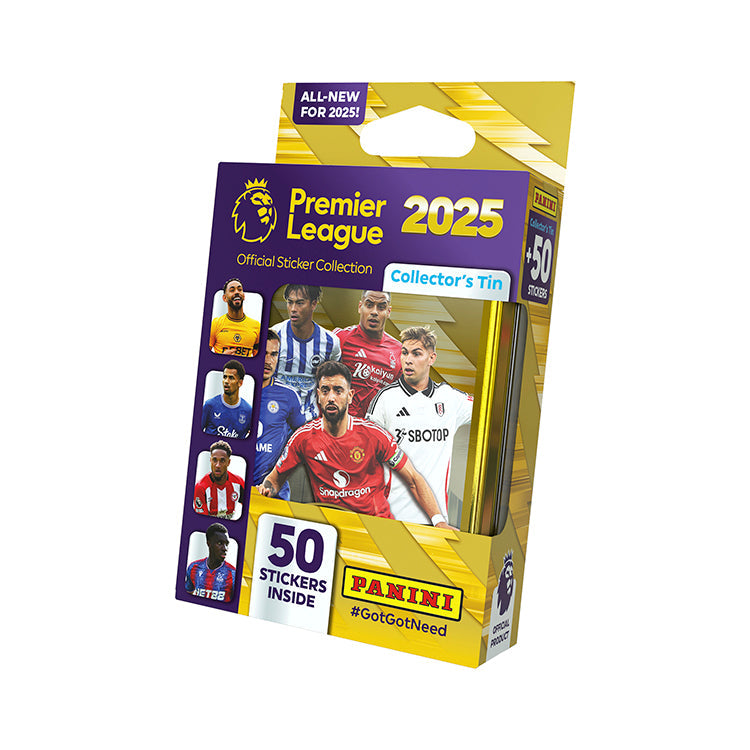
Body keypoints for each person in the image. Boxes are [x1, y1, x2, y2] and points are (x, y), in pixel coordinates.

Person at [258, 361, 449, 528]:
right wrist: (265, 490)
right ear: (318, 396)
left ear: (350, 395)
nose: (331, 397)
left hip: (375, 527)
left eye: (338, 391)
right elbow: (274, 481)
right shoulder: (303, 438)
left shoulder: (373, 435)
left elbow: (413, 479)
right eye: (325, 390)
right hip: (331, 529)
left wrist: (439, 521)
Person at [367, 326, 474, 525]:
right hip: (391, 516)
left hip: (438, 521)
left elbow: (490, 409)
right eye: (404, 353)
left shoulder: (450, 398)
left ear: (432, 358)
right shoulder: (385, 399)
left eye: (416, 354)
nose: (408, 360)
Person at [271, 284, 341, 419]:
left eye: (299, 303)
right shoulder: (274, 336)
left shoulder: (330, 342)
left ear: (313, 304)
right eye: (290, 302)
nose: (293, 309)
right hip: (275, 414)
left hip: (309, 418)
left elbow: (334, 383)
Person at [253, 330, 307, 501]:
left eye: (274, 354)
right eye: (264, 353)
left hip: (274, 493)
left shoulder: (288, 395)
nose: (268, 361)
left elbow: (303, 438)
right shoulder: (234, 389)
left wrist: (277, 474)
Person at [333, 290, 402, 418]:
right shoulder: (340, 338)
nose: (374, 312)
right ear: (360, 307)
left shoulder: (399, 351)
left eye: (381, 307)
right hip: (340, 424)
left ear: (388, 311)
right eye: (369, 305)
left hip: (374, 426)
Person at [201, 359, 253, 439]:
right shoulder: (210, 405)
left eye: (231, 378)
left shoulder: (248, 411)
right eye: (225, 377)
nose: (226, 381)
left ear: (240, 383)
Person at [209, 277, 260, 357]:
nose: (237, 292)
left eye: (239, 289)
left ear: (243, 296)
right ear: (224, 298)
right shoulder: (216, 324)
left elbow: (258, 359)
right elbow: (205, 357)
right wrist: (221, 358)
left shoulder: (257, 326)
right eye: (232, 290)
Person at [185, 523, 236, 603]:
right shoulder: (193, 567)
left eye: (226, 544)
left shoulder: (233, 573)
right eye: (220, 543)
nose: (225, 548)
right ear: (209, 543)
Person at [194, 440, 245, 519]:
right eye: (214, 460)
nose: (218, 465)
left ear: (228, 462)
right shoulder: (201, 487)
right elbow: (201, 520)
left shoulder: (239, 483)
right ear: (210, 460)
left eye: (222, 460)